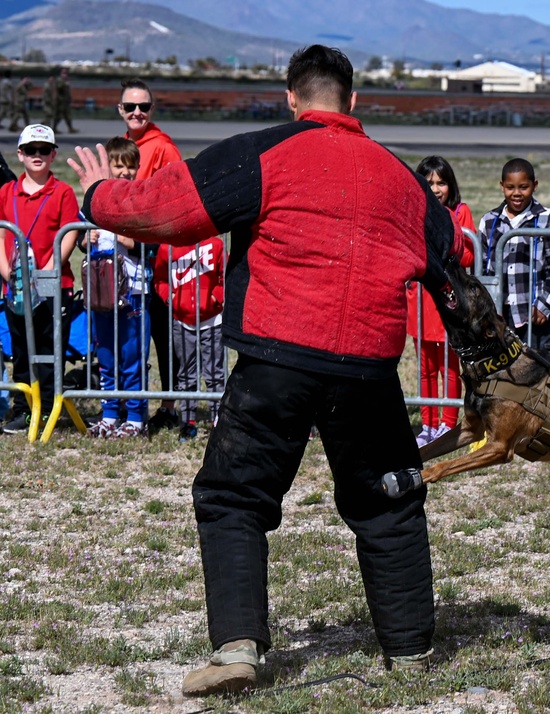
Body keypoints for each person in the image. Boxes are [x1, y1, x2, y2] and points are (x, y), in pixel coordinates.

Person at [70, 45, 465, 695]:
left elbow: (170, 212)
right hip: (368, 366)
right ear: (353, 102)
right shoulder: (403, 181)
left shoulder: (263, 150)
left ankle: (238, 648)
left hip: (275, 357)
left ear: (291, 98)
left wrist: (98, 194)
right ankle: (411, 650)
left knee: (233, 497)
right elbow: (446, 265)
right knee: (389, 502)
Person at [0, 125, 79, 434]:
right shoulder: (6, 192)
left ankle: (46, 409)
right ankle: (23, 407)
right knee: (20, 348)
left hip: (53, 284)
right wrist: (8, 272)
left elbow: (70, 231)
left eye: (43, 150)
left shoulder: (62, 192)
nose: (37, 156)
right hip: (16, 286)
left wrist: (48, 269)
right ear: (19, 155)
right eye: (30, 150)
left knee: (49, 347)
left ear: (53, 155)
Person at [118, 77, 184, 434]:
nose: (137, 112)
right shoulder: (125, 145)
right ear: (121, 110)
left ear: (152, 109)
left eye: (143, 106)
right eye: (130, 107)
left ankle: (170, 405)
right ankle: (128, 402)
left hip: (154, 251)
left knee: (161, 329)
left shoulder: (162, 147)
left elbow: (176, 195)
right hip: (126, 252)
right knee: (129, 332)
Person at [82, 137, 151, 438]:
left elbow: (153, 244)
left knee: (132, 356)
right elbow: (80, 239)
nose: (124, 173)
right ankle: (110, 412)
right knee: (107, 356)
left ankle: (135, 416)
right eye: (118, 166)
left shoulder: (142, 203)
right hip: (102, 295)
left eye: (130, 167)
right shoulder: (93, 203)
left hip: (134, 293)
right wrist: (88, 240)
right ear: (107, 168)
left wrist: (131, 240)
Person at [408, 155, 475, 447]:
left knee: (449, 367)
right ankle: (428, 424)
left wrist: (446, 244)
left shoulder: (460, 212)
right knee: (425, 368)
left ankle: (448, 424)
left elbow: (470, 254)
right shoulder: (411, 211)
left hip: (448, 302)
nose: (435, 189)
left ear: (451, 185)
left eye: (441, 182)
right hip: (419, 302)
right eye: (429, 182)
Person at [477, 158, 550, 357]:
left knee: (537, 371)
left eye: (523, 187)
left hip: (534, 315)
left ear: (534, 186)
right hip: (499, 314)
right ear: (502, 187)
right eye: (510, 187)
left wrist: (544, 305)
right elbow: (481, 269)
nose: (516, 193)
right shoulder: (489, 221)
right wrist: (486, 310)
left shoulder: (546, 218)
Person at [152, 235, 227, 441]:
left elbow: (225, 275)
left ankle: (218, 421)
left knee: (215, 374)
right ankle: (188, 422)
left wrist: (215, 298)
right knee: (186, 374)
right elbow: (159, 279)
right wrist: (172, 299)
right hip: (182, 321)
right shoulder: (167, 247)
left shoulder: (216, 244)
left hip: (212, 321)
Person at [53, 68, 78, 134]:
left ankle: (70, 128)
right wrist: (64, 84)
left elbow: (67, 92)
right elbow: (58, 87)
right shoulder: (59, 80)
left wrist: (69, 99)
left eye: (66, 73)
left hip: (65, 101)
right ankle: (54, 128)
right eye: (63, 73)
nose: (65, 75)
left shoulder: (65, 80)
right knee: (59, 116)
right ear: (61, 74)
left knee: (68, 116)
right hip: (60, 102)